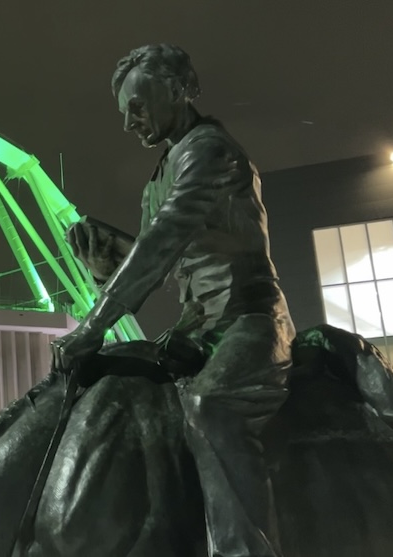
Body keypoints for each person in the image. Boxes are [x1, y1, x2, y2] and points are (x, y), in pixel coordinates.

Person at [50, 44, 295, 557]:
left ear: (179, 89)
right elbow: (155, 259)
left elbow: (162, 242)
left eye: (138, 107)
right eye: (124, 112)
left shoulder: (210, 150)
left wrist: (92, 326)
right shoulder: (157, 179)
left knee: (211, 407)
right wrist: (105, 260)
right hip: (195, 327)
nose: (129, 123)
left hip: (248, 317)